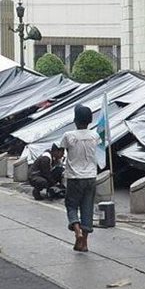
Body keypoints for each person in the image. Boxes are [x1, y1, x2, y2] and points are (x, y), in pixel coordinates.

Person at [60, 106, 100, 252]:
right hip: (91, 176)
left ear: (75, 120)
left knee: (71, 206)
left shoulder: (68, 135)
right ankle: (84, 243)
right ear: (89, 120)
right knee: (87, 208)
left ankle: (77, 231)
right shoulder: (95, 136)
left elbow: (63, 150)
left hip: (74, 177)